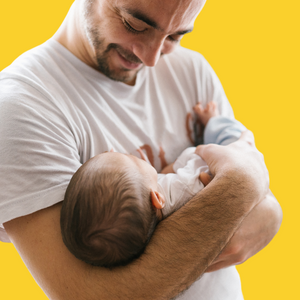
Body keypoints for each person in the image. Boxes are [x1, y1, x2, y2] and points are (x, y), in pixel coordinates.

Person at [0, 0, 282, 299]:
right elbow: (93, 295)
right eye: (135, 25)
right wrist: (242, 184)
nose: (151, 58)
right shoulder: (20, 107)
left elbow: (264, 206)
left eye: (175, 36)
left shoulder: (191, 70)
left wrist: (267, 211)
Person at [60, 101, 247, 268]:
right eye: (132, 160)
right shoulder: (191, 187)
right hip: (230, 162)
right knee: (230, 139)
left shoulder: (147, 218)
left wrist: (164, 171)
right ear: (156, 198)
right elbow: (206, 163)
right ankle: (214, 121)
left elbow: (164, 179)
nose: (129, 154)